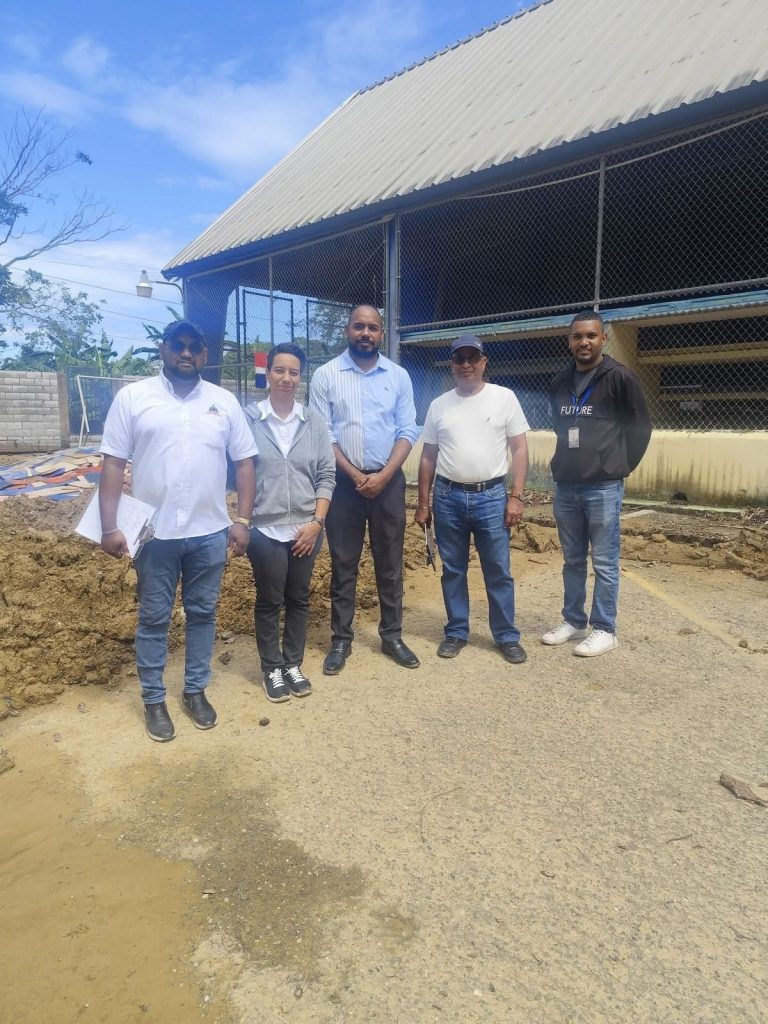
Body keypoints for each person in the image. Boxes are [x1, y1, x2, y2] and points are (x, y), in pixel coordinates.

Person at [99, 319, 257, 741]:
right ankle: (154, 699)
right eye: (178, 345)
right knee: (154, 617)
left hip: (210, 531)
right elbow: (113, 462)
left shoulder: (224, 402)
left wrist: (243, 520)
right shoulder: (134, 398)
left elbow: (245, 463)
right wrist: (109, 525)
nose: (186, 353)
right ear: (163, 349)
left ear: (204, 354)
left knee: (203, 614)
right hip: (154, 533)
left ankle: (195, 691)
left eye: (194, 346)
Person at [309, 304, 420, 674]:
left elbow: (407, 429)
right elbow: (323, 433)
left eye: (373, 328)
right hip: (343, 486)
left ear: (381, 333)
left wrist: (385, 475)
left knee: (390, 563)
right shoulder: (326, 375)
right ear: (347, 330)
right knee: (344, 563)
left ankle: (392, 636)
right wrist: (355, 475)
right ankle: (341, 640)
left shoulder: (398, 376)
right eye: (359, 326)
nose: (366, 334)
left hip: (388, 482)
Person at [415, 335, 530, 664]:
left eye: (472, 358)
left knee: (498, 570)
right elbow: (428, 457)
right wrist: (423, 504)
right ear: (451, 364)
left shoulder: (503, 398)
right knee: (453, 569)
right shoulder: (439, 405)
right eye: (459, 359)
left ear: (483, 362)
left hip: (491, 497)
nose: (466, 364)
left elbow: (520, 449)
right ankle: (456, 631)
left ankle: (506, 636)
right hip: (448, 497)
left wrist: (516, 497)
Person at [542, 311, 652, 657]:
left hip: (603, 486)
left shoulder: (620, 378)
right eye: (577, 336)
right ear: (569, 341)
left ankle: (605, 629)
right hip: (567, 485)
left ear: (603, 338)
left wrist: (618, 465)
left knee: (604, 562)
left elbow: (640, 429)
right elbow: (561, 426)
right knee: (572, 560)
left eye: (591, 335)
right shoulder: (560, 381)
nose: (584, 342)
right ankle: (574, 621)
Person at [243, 343, 336, 703]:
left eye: (294, 372)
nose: (286, 378)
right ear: (268, 373)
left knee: (298, 597)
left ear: (301, 377)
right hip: (264, 529)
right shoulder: (250, 419)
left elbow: (326, 475)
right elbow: (237, 470)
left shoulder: (313, 421)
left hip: (306, 528)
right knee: (270, 599)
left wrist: (317, 522)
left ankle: (293, 664)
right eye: (279, 370)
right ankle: (272, 668)